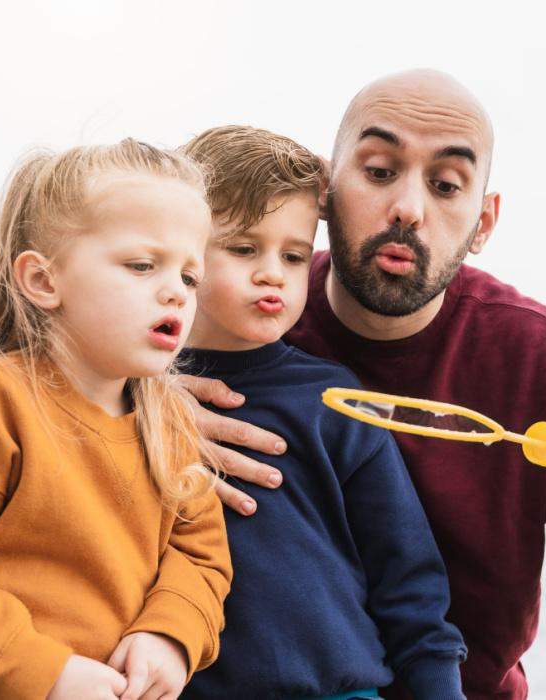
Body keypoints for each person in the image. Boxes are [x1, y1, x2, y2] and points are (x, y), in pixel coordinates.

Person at [186, 70, 546, 700]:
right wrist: (133, 401)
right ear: (324, 189)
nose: (408, 209)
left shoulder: (541, 360)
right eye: (377, 170)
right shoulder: (220, 310)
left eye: (447, 185)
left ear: (484, 222)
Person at [0, 141, 233, 699]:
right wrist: (44, 671)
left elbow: (201, 554)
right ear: (43, 281)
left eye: (189, 278)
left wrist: (170, 634)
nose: (174, 293)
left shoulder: (169, 423)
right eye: (141, 265)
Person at [177, 126, 466, 700]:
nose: (272, 274)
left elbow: (405, 573)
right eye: (242, 248)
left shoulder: (334, 399)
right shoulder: (121, 390)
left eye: (293, 255)